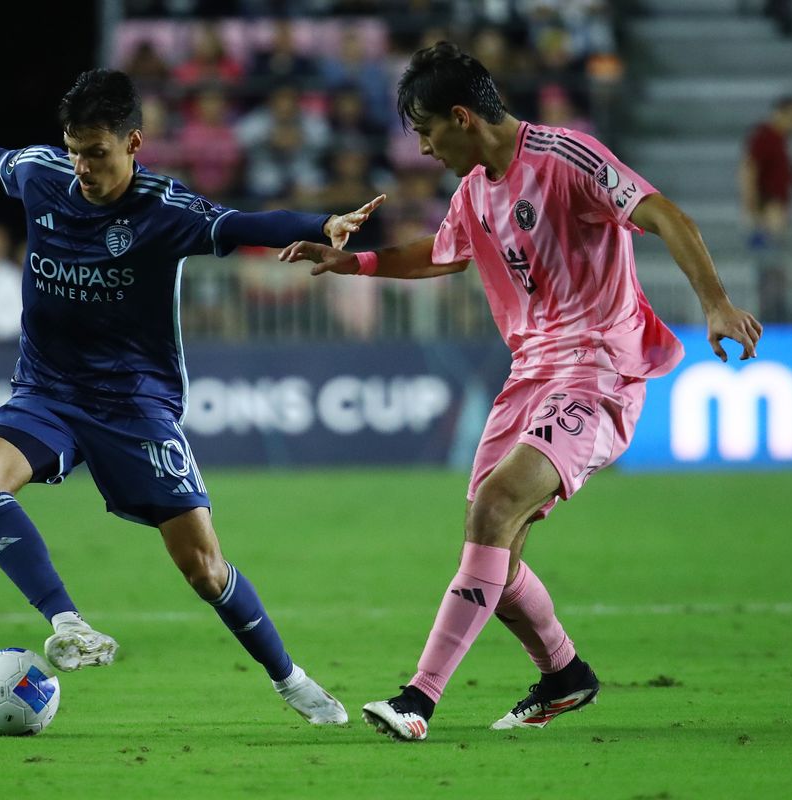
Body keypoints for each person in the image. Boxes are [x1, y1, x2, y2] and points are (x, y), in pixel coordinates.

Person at [0, 68, 382, 722]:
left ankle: (289, 678)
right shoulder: (43, 174)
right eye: (74, 150)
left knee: (205, 569)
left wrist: (322, 222)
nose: (82, 167)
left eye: (96, 153)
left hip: (134, 405)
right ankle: (69, 624)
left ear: (133, 143)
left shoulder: (165, 209)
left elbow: (240, 224)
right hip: (48, 390)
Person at [279, 42, 762, 740]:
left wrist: (715, 302)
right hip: (528, 379)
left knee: (494, 510)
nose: (421, 147)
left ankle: (418, 699)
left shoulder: (569, 159)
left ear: (461, 116)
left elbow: (665, 215)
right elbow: (441, 255)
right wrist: (352, 262)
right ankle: (565, 674)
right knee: (495, 564)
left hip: (596, 370)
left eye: (424, 130)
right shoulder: (475, 191)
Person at [739, 94, 792, 321]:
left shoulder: (779, 139)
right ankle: (767, 317)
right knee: (768, 266)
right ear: (784, 112)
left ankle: (776, 313)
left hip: (775, 212)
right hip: (767, 214)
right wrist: (754, 212)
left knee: (777, 267)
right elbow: (748, 171)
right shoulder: (766, 137)